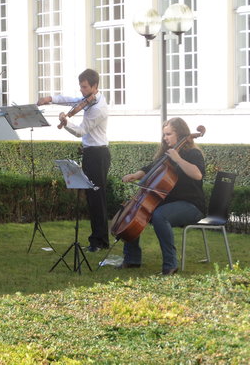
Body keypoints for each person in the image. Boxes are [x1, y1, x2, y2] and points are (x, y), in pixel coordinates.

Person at [117, 117, 205, 275]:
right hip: (170, 204)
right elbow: (151, 168)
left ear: (180, 134)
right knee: (136, 212)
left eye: (168, 134)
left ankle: (170, 264)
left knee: (159, 215)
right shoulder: (166, 155)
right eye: (164, 134)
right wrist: (136, 174)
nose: (165, 138)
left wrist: (177, 159)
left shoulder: (193, 153)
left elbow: (197, 174)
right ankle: (132, 259)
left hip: (192, 205)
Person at [37, 68, 111, 252]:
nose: (81, 91)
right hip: (90, 153)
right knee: (92, 198)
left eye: (85, 87)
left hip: (98, 155)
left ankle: (100, 241)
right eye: (81, 86)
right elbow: (69, 99)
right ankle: (97, 239)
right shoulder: (88, 99)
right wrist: (50, 99)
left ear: (95, 87)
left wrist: (66, 121)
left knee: (97, 198)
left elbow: (80, 131)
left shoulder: (99, 108)